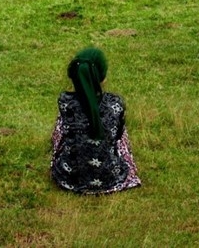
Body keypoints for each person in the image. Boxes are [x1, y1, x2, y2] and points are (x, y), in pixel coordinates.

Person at [50, 47, 141, 195]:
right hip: (112, 178)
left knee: (62, 126)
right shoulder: (115, 104)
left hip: (70, 180)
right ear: (102, 76)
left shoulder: (66, 104)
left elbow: (59, 138)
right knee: (121, 135)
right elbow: (118, 138)